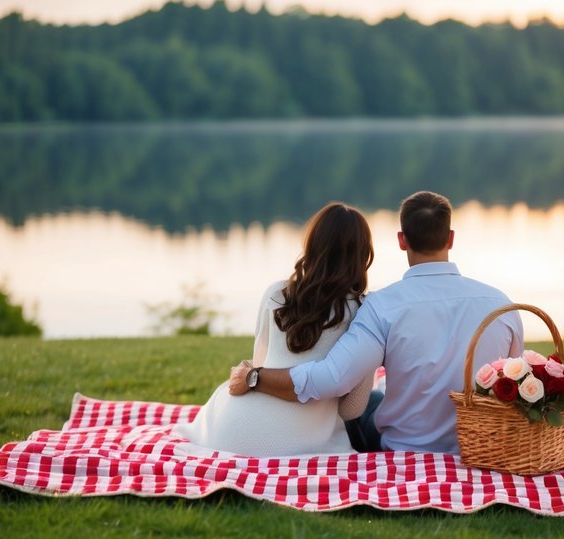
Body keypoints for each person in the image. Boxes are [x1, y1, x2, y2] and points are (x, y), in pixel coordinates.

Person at [227, 190, 524, 455]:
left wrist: (257, 377)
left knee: (370, 400)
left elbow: (332, 379)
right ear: (450, 238)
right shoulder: (500, 303)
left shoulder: (382, 306)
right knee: (374, 394)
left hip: (403, 449)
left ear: (401, 240)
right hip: (480, 447)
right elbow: (514, 382)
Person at [180, 202, 377, 457]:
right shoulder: (363, 314)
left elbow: (260, 365)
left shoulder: (276, 293)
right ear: (362, 255)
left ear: (312, 245)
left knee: (218, 398)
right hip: (299, 442)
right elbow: (352, 410)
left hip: (229, 433)